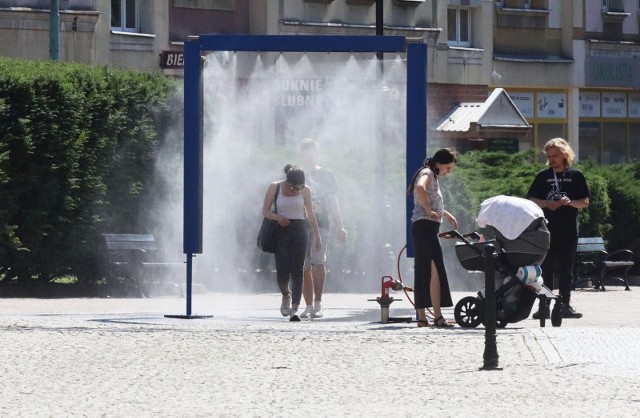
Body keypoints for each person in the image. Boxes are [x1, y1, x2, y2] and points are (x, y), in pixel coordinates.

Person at [527, 138, 590, 319]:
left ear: (564, 155)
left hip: (568, 229)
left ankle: (564, 305)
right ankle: (544, 306)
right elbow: (531, 199)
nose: (552, 159)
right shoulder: (543, 176)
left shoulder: (576, 175)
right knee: (545, 268)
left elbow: (585, 202)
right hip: (547, 229)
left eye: (555, 156)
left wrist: (570, 203)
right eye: (549, 156)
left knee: (566, 269)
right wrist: (547, 203)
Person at [262, 165, 322, 321]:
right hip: (282, 230)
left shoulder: (305, 190)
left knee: (298, 271)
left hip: (300, 230)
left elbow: (310, 213)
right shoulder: (275, 187)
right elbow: (265, 211)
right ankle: (286, 295)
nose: (297, 191)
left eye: (300, 188)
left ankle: (295, 308)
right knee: (282, 272)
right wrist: (277, 218)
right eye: (295, 188)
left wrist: (317, 236)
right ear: (288, 183)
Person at [407, 148, 458, 328]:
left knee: (424, 270)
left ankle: (423, 317)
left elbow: (431, 199)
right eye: (448, 168)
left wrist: (447, 215)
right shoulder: (428, 173)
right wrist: (429, 210)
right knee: (435, 269)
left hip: (424, 227)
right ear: (438, 164)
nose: (448, 172)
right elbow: (420, 187)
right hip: (425, 227)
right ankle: (437, 316)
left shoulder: (432, 176)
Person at [298, 138, 348, 319]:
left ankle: (318, 303)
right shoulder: (296, 174)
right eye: (306, 152)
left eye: (313, 152)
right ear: (301, 154)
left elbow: (333, 202)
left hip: (322, 224)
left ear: (317, 154)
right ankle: (308, 305)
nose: (310, 156)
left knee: (318, 262)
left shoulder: (326, 175)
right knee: (303, 266)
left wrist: (340, 226)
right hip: (300, 225)